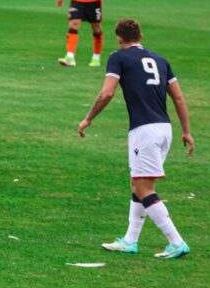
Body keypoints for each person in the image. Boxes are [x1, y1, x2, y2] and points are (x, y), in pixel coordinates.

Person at [78, 18, 194, 259]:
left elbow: (107, 92)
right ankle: (130, 240)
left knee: (144, 188)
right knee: (138, 184)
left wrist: (88, 118)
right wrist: (186, 131)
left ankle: (176, 241)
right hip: (165, 129)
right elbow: (179, 98)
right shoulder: (161, 60)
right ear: (140, 36)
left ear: (119, 38)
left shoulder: (118, 57)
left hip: (145, 131)